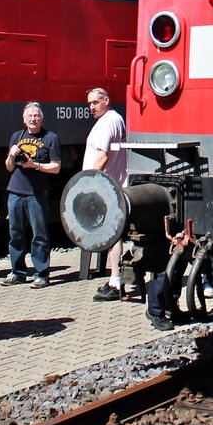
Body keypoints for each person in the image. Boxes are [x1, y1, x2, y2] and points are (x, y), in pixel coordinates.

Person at [2, 103, 60, 288]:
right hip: (15, 192)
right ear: (24, 118)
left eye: (36, 115)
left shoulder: (51, 138)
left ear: (41, 118)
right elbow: (9, 167)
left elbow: (56, 167)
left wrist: (35, 165)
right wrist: (11, 156)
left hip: (37, 193)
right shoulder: (17, 136)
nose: (33, 119)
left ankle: (41, 274)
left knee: (39, 235)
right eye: (29, 116)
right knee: (15, 234)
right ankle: (17, 272)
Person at [84, 88, 129, 302]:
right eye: (89, 103)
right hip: (111, 185)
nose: (91, 107)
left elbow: (102, 156)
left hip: (108, 187)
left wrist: (89, 183)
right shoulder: (114, 119)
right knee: (113, 234)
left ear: (106, 100)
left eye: (95, 102)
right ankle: (115, 279)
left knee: (113, 234)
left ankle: (116, 281)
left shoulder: (109, 121)